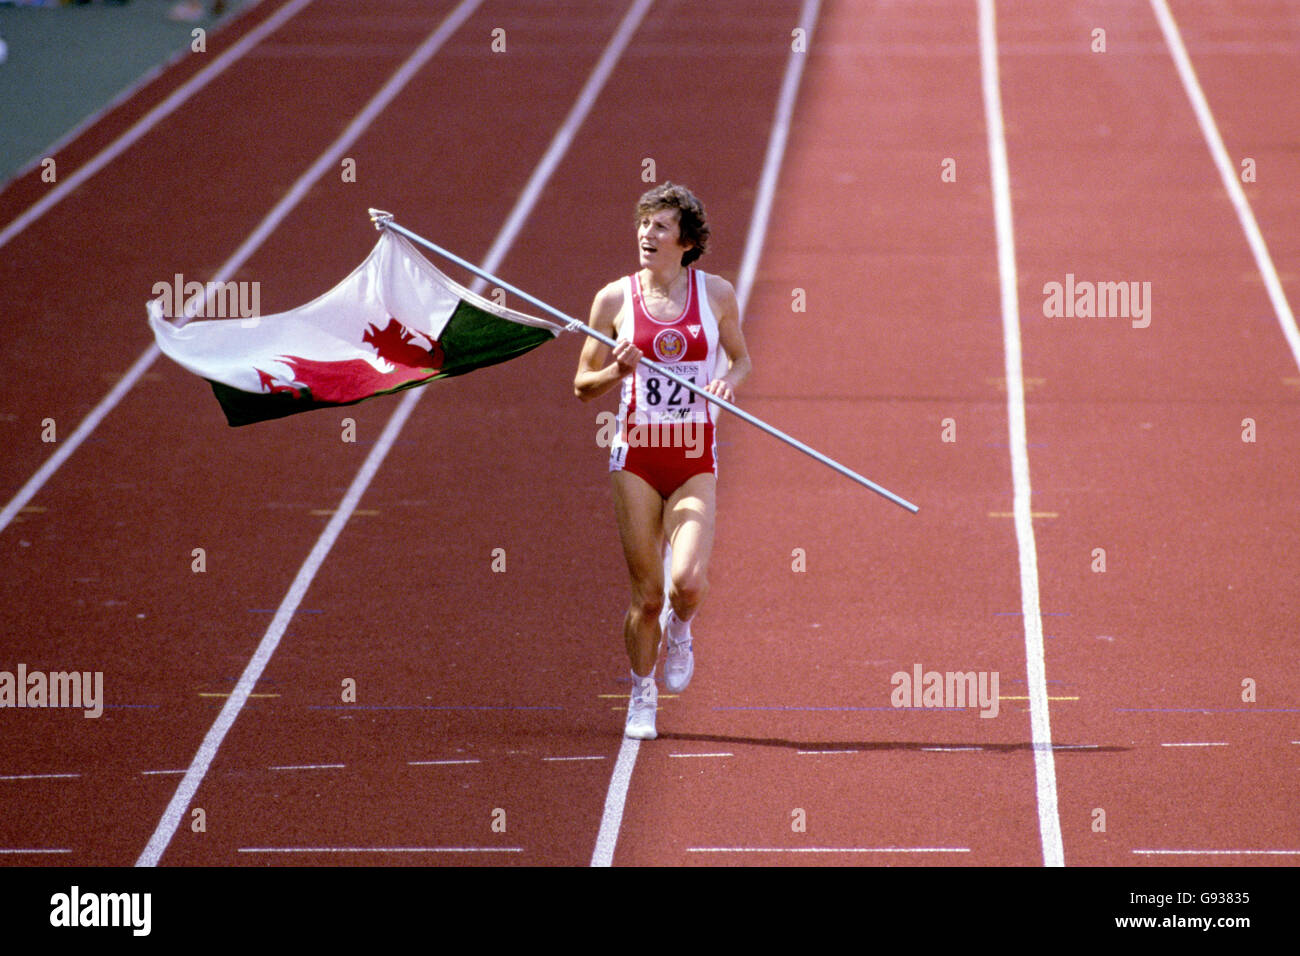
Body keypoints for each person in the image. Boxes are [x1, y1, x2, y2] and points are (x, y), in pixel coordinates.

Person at [574, 182, 752, 740]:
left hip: (695, 455)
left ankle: (682, 630)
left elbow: (743, 359)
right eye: (643, 224)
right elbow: (582, 385)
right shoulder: (613, 300)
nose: (646, 235)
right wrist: (616, 372)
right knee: (646, 595)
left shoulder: (717, 293)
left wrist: (727, 380)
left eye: (660, 227)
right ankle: (641, 693)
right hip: (636, 459)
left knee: (688, 583)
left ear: (687, 241)